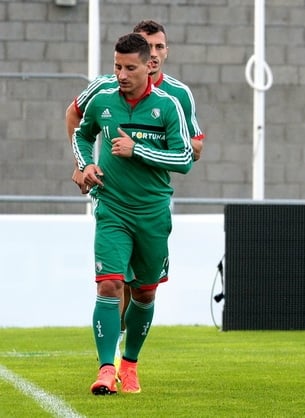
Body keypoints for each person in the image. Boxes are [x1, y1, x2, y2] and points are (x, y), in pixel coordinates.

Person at [65, 20, 204, 366]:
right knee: (110, 283)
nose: (154, 54)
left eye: (158, 48)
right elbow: (78, 122)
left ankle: (129, 362)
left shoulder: (176, 98)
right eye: (118, 66)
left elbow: (191, 151)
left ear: (158, 57)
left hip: (153, 206)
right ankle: (106, 366)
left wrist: (144, 146)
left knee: (143, 289)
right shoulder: (102, 91)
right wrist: (84, 165)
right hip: (111, 202)